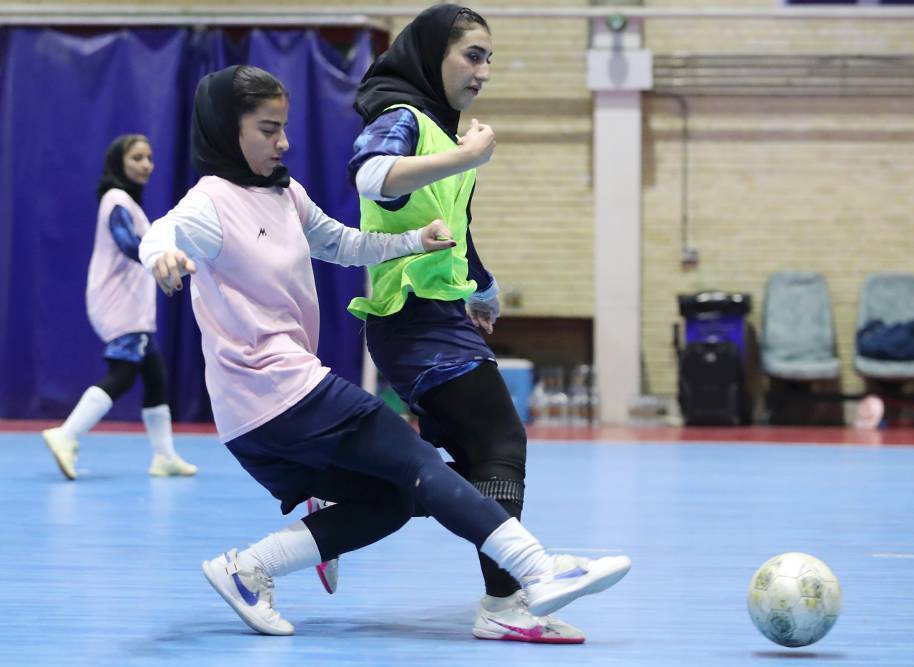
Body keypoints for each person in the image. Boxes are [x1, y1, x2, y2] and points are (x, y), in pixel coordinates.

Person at [139, 64, 630, 637]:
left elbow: (340, 242)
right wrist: (161, 257)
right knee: (418, 463)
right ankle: (537, 570)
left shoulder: (284, 195)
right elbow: (161, 232)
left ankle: (249, 571)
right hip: (274, 389)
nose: (284, 142)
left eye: (284, 128)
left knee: (393, 499)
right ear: (227, 129)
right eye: (268, 130)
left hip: (264, 411)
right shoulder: (211, 204)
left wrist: (411, 243)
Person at [329, 4, 585, 643]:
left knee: (467, 464)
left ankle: (338, 494)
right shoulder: (402, 119)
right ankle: (505, 604)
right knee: (501, 443)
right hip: (411, 318)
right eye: (473, 55)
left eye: (490, 59)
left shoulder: (445, 134)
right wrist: (467, 155)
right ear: (430, 55)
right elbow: (371, 175)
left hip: (441, 315)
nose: (484, 71)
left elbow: (457, 233)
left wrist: (485, 290)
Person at [42, 134, 197, 480]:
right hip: (120, 303)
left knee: (154, 376)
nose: (146, 165)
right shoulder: (116, 200)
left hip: (129, 303)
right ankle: (66, 434)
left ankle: (165, 456)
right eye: (137, 158)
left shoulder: (127, 202)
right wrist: (162, 259)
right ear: (118, 163)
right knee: (124, 373)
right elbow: (128, 242)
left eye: (149, 158)